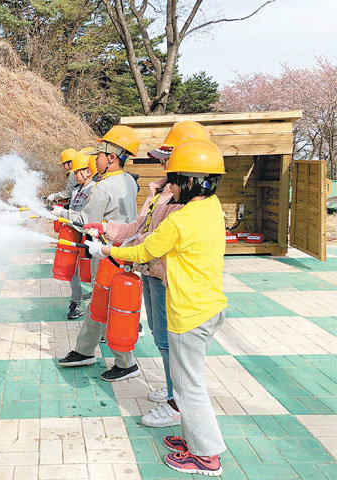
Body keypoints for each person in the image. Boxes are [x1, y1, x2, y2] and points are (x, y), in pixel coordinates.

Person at [85, 139, 228, 477]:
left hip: (188, 313)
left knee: (188, 387)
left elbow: (144, 251)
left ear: (191, 182)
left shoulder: (180, 221)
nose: (170, 185)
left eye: (175, 179)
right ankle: (191, 439)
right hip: (211, 307)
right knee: (186, 384)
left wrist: (106, 253)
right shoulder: (210, 207)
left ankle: (207, 456)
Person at [55, 125, 141, 382]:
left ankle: (126, 363)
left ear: (111, 157)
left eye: (99, 155)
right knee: (98, 304)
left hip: (106, 252)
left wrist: (62, 213)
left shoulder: (102, 188)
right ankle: (84, 350)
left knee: (108, 305)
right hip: (123, 251)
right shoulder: (128, 181)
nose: (95, 160)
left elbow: (86, 221)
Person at [63, 151, 98, 319]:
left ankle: (100, 312)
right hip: (75, 235)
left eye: (78, 172)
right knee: (73, 271)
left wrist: (63, 213)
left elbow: (86, 218)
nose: (74, 175)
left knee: (93, 273)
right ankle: (75, 302)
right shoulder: (78, 190)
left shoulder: (95, 190)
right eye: (74, 172)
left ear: (89, 171)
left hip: (90, 238)